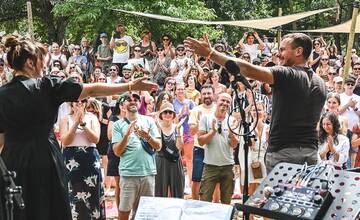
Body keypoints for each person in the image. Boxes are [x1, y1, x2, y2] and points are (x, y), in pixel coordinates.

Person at [0, 35, 158, 220]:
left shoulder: (2, 95)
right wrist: (130, 85)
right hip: (45, 157)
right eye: (41, 61)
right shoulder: (46, 86)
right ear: (29, 62)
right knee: (50, 209)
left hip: (12, 161)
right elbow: (91, 90)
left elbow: (1, 140)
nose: (44, 67)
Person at [185, 33, 326, 174]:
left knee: (280, 195)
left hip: (284, 155)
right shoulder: (320, 83)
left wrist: (211, 53)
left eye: (283, 49)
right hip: (311, 154)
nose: (278, 53)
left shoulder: (288, 74)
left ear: (298, 51)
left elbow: (247, 69)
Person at [112, 92, 161, 220]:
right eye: (128, 99)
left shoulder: (149, 120)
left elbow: (158, 146)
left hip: (148, 173)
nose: (133, 101)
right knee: (124, 212)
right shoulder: (117, 125)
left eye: (136, 99)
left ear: (140, 103)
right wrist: (126, 136)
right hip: (128, 174)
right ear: (122, 105)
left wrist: (147, 137)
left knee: (146, 214)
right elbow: (117, 151)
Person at [59, 98, 105, 219]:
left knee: (92, 191)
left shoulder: (92, 118)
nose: (79, 103)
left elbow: (95, 139)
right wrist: (75, 124)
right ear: (71, 103)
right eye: (76, 100)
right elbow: (65, 141)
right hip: (71, 157)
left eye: (83, 101)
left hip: (90, 157)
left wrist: (83, 124)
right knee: (73, 190)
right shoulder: (65, 119)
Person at [198, 93, 239, 204]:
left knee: (226, 201)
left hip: (228, 166)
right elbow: (200, 141)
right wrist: (212, 132)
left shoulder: (232, 120)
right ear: (216, 101)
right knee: (205, 200)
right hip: (210, 166)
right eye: (223, 100)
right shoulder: (206, 118)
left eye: (228, 102)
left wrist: (231, 133)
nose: (225, 103)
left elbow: (234, 145)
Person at [188, 84, 216, 200]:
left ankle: (217, 207)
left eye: (209, 93)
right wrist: (200, 122)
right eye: (204, 94)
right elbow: (191, 132)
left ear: (213, 94)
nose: (206, 96)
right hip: (199, 149)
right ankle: (195, 205)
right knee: (196, 179)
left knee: (216, 181)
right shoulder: (196, 110)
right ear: (201, 95)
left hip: (215, 148)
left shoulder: (217, 108)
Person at [155, 103, 185, 198]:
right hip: (160, 161)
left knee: (178, 191)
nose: (168, 114)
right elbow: (158, 147)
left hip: (175, 162)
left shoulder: (178, 127)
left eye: (170, 112)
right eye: (165, 112)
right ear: (161, 114)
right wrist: (159, 129)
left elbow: (179, 148)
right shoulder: (156, 127)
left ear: (173, 115)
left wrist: (178, 131)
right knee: (159, 192)